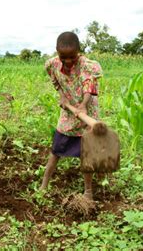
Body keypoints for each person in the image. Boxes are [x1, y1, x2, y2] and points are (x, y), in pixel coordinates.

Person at [40, 31, 103, 200]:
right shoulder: (51, 64)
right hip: (68, 113)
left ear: (79, 51)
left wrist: (82, 106)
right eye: (63, 57)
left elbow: (88, 86)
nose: (68, 61)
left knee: (86, 153)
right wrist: (62, 96)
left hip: (87, 112)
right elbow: (56, 81)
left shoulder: (87, 65)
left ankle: (88, 192)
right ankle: (44, 184)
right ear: (57, 51)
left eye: (72, 57)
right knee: (56, 149)